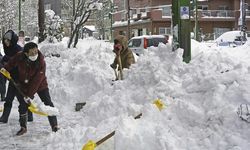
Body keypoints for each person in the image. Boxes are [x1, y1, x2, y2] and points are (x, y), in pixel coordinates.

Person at [1, 42, 59, 135]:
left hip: (40, 85)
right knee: (23, 105)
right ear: (26, 53)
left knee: (48, 102)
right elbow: (12, 62)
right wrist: (5, 68)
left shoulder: (41, 62)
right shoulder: (20, 56)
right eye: (32, 53)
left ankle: (54, 126)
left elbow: (37, 81)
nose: (35, 54)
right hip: (24, 83)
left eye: (36, 51)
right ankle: (23, 127)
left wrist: (29, 95)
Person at [0, 30, 33, 123]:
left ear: (12, 40)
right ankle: (4, 117)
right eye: (5, 41)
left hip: (21, 78)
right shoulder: (8, 48)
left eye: (8, 41)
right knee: (9, 98)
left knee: (22, 98)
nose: (6, 42)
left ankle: (29, 115)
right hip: (13, 77)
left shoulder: (18, 49)